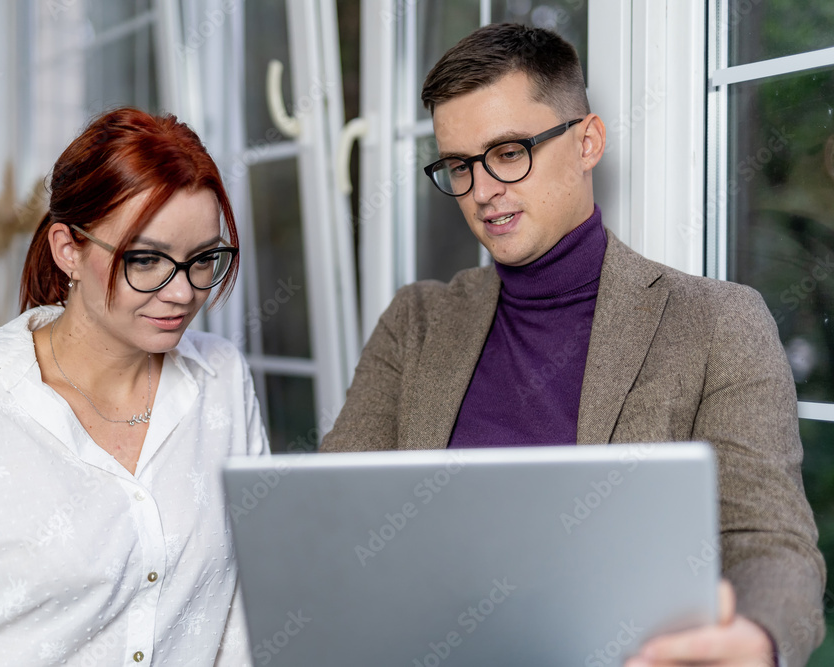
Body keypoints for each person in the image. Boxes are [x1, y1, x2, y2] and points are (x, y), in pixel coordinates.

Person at [320, 23, 825, 667]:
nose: (481, 191)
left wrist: (756, 638)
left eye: (508, 153)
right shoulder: (417, 322)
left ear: (587, 141)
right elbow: (339, 524)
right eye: (458, 166)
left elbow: (768, 542)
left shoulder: (717, 323)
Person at [0, 108, 264, 665]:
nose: (182, 293)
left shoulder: (223, 383)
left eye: (203, 260)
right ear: (69, 249)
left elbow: (242, 613)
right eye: (147, 259)